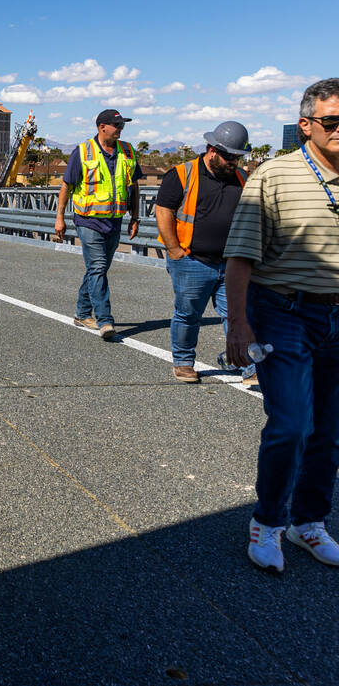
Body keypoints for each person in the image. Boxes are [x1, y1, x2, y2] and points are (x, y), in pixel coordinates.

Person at [223, 78, 339, 573]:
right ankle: (267, 523)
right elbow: (240, 258)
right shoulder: (275, 175)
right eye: (332, 122)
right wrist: (238, 326)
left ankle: (307, 522)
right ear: (307, 125)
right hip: (283, 312)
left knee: (330, 431)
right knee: (292, 425)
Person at [154, 121, 250, 383]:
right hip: (192, 260)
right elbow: (163, 211)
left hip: (230, 263)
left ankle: (247, 366)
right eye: (228, 156)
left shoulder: (242, 179)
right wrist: (174, 250)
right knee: (188, 314)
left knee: (237, 314)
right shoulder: (182, 174)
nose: (233, 162)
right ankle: (184, 362)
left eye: (237, 157)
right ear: (211, 150)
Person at [54, 108, 144, 341]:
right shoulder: (83, 152)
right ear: (101, 127)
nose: (121, 129)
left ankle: (82, 313)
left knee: (98, 269)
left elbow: (134, 187)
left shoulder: (128, 151)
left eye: (122, 125)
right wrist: (60, 217)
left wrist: (135, 217)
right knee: (98, 266)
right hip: (88, 221)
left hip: (114, 221)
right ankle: (105, 321)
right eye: (117, 125)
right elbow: (66, 186)